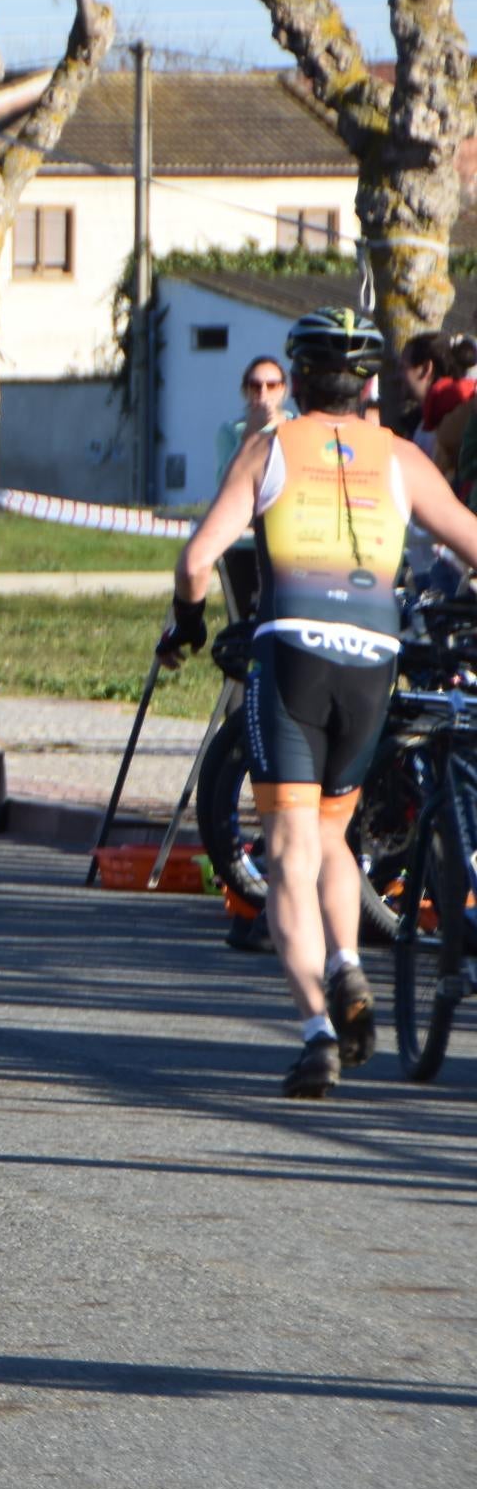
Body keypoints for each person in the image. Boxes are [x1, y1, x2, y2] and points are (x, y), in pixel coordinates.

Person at [162, 308, 477, 1098]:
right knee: (332, 832)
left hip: (293, 657)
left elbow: (198, 559)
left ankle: (315, 1033)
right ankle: (348, 963)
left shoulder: (270, 448)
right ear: (368, 383)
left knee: (288, 850)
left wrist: (189, 625)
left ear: (298, 382)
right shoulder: (402, 457)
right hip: (373, 661)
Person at [216, 357, 294, 490]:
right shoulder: (230, 430)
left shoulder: (296, 423)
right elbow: (225, 481)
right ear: (246, 390)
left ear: (282, 389)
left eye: (271, 385)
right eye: (255, 386)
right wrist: (249, 433)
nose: (263, 392)